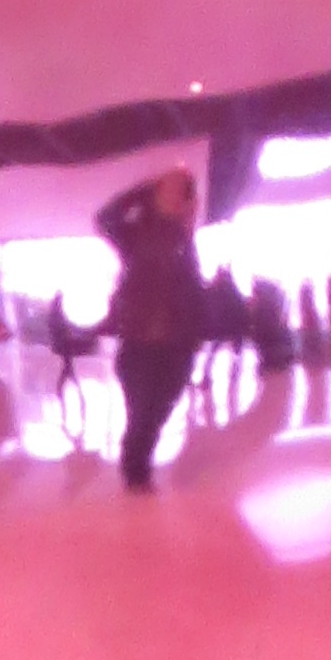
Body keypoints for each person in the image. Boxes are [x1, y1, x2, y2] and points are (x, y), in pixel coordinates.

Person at [96, 169, 207, 494]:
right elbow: (105, 218)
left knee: (159, 411)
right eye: (167, 190)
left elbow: (190, 291)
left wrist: (195, 334)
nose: (175, 198)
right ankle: (135, 472)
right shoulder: (137, 234)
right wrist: (143, 189)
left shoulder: (185, 238)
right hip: (141, 343)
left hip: (178, 344)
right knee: (143, 412)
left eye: (181, 193)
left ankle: (138, 464)